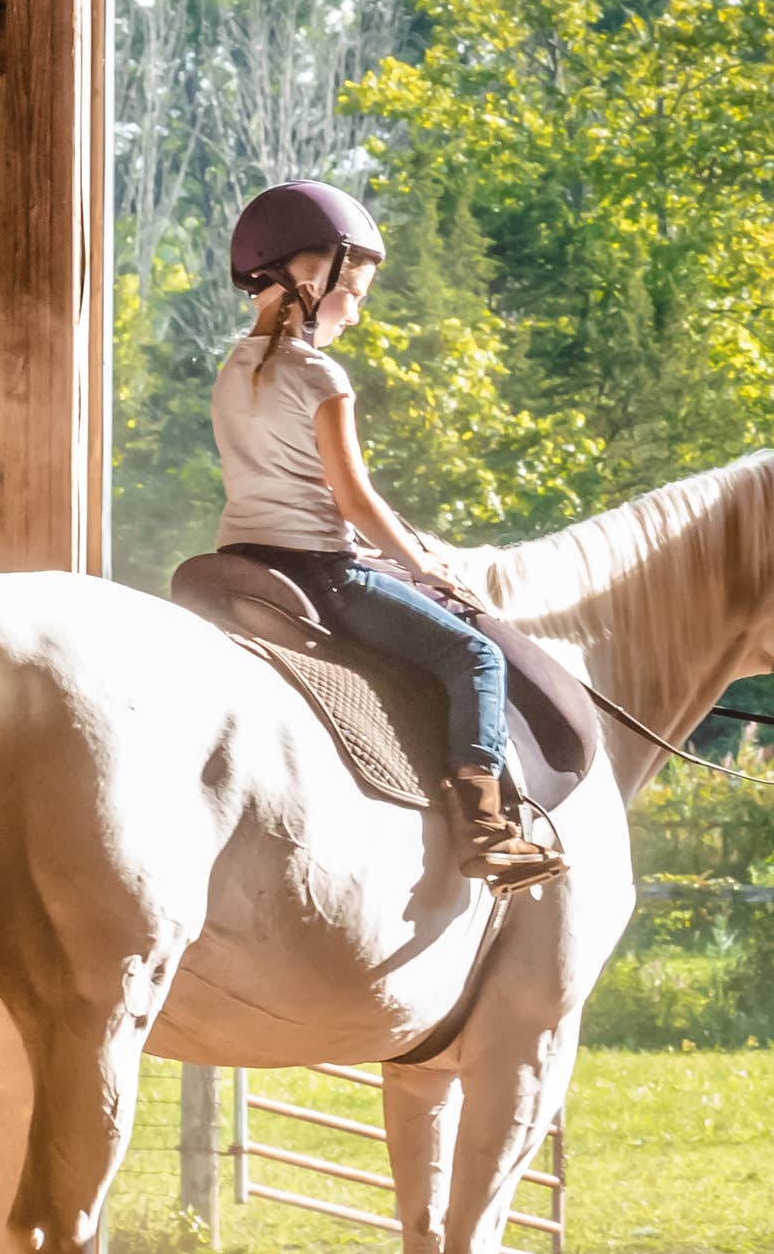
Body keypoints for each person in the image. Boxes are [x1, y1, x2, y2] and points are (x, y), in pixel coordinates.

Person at [213, 179, 565, 893]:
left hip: (242, 558)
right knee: (474, 655)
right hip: (322, 573)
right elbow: (354, 501)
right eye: (357, 293)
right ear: (311, 281)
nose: (358, 313)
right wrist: (427, 569)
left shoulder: (231, 371)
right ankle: (487, 830)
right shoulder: (319, 375)